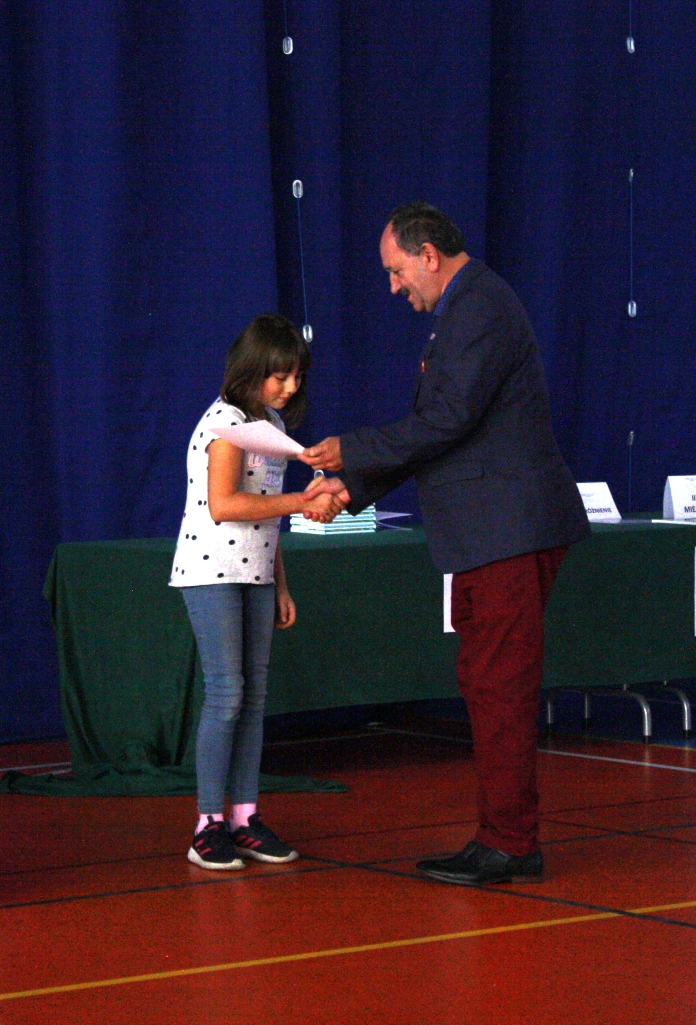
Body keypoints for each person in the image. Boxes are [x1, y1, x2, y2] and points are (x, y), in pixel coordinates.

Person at [301, 202, 590, 886]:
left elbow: (446, 420)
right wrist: (350, 485)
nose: (393, 286)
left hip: (507, 531)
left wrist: (351, 452)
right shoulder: (466, 309)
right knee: (487, 683)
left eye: (396, 270)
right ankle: (502, 836)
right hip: (493, 533)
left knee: (498, 686)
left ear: (428, 255)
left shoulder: (479, 307)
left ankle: (510, 843)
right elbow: (441, 429)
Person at [170, 314, 344, 871]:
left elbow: (265, 511)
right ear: (252, 370)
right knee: (227, 694)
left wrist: (279, 582)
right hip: (211, 570)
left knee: (255, 697)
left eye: (297, 377)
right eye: (280, 376)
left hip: (256, 574)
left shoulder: (269, 423)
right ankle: (207, 824)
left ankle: (245, 817)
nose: (290, 387)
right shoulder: (226, 424)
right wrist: (302, 502)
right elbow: (225, 506)